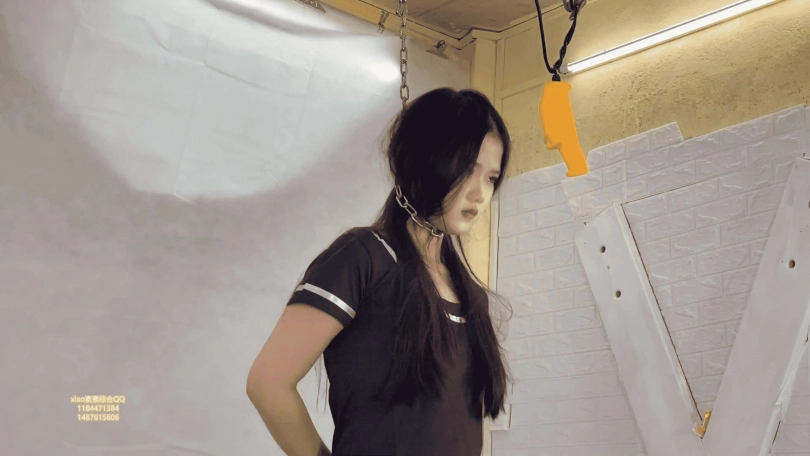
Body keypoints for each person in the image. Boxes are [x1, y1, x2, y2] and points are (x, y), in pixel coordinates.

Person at [246, 87, 514, 456]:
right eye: (468, 169)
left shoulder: (470, 294)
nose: (480, 193)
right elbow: (268, 382)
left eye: (491, 178)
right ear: (425, 160)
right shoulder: (363, 258)